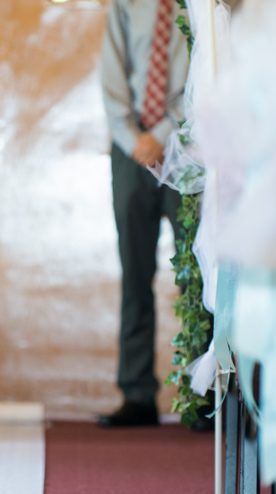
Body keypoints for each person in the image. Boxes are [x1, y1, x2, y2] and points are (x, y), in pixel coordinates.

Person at [98, 0, 189, 427]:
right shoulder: (125, 6)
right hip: (130, 150)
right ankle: (137, 393)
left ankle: (203, 395)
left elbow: (206, 78)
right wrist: (135, 138)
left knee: (197, 272)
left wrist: (164, 133)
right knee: (135, 273)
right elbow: (113, 75)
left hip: (190, 147)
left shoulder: (204, 7)